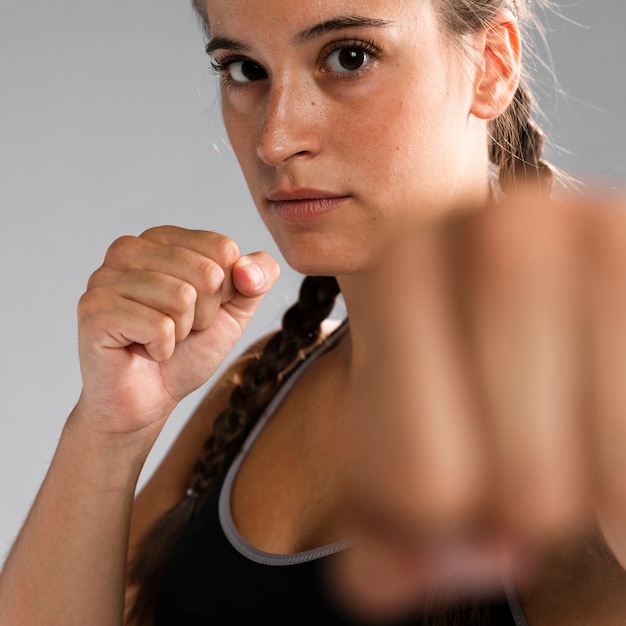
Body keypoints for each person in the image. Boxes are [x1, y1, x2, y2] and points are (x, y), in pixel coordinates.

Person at [1, 0, 626, 624]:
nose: (275, 138)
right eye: (244, 68)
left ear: (491, 65)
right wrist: (109, 433)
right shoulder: (262, 386)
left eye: (349, 57)